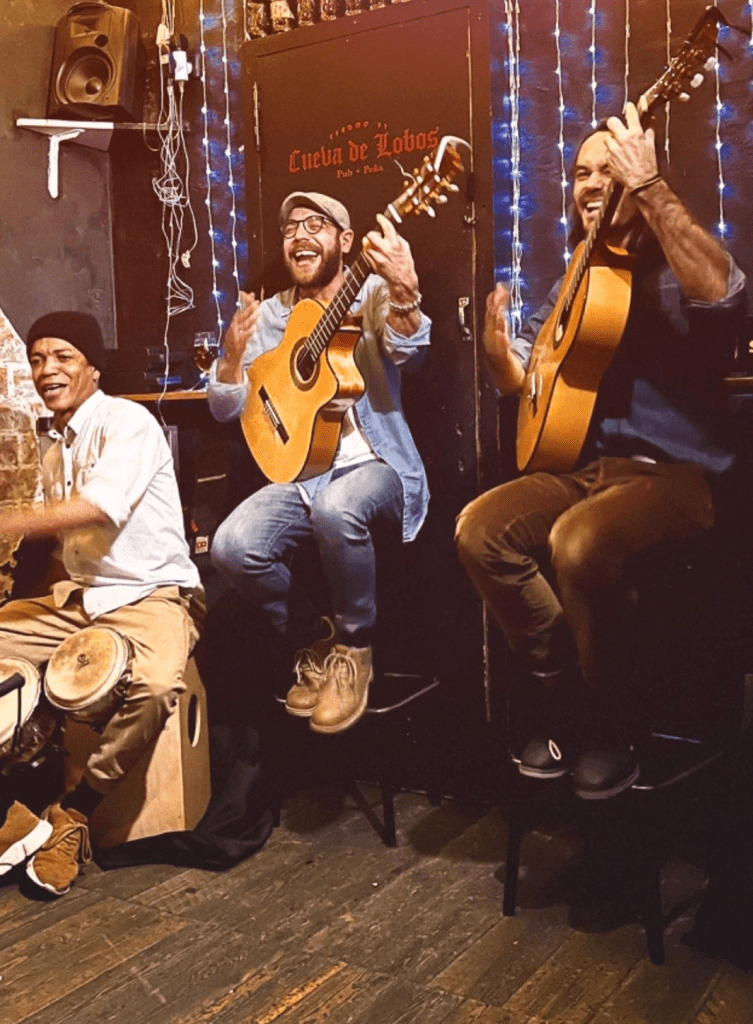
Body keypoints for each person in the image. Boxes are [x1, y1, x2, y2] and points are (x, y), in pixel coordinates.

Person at [455, 102, 747, 799]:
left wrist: (651, 189)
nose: (590, 184)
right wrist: (500, 360)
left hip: (679, 475)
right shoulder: (576, 277)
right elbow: (533, 382)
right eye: (581, 173)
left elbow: (728, 299)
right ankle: (571, 698)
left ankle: (615, 723)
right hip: (589, 470)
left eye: (606, 171)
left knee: (578, 542)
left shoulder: (678, 256)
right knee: (479, 530)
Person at [0, 311, 204, 901]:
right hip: (81, 603)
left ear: (93, 368)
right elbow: (68, 551)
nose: (46, 369)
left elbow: (97, 509)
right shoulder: (56, 446)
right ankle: (1, 818)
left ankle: (74, 813)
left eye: (62, 356)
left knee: (158, 683)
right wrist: (18, 612)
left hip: (151, 595)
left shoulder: (127, 421)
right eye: (36, 359)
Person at [208, 192, 430, 734]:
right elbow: (226, 407)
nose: (300, 235)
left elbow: (413, 353)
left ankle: (354, 648)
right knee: (231, 546)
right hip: (302, 471)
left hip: (376, 465)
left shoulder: (373, 291)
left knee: (336, 506)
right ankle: (315, 637)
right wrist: (232, 359)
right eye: (290, 227)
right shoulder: (271, 314)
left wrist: (405, 290)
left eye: (316, 224)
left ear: (346, 241)